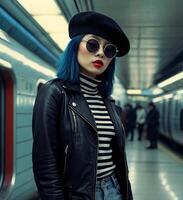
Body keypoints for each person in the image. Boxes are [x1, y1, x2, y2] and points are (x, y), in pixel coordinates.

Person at [32, 11, 133, 200]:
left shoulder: (108, 102)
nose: (101, 53)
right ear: (75, 46)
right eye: (93, 44)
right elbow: (45, 162)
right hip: (78, 194)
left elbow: (118, 159)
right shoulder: (54, 93)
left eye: (109, 50)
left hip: (114, 190)